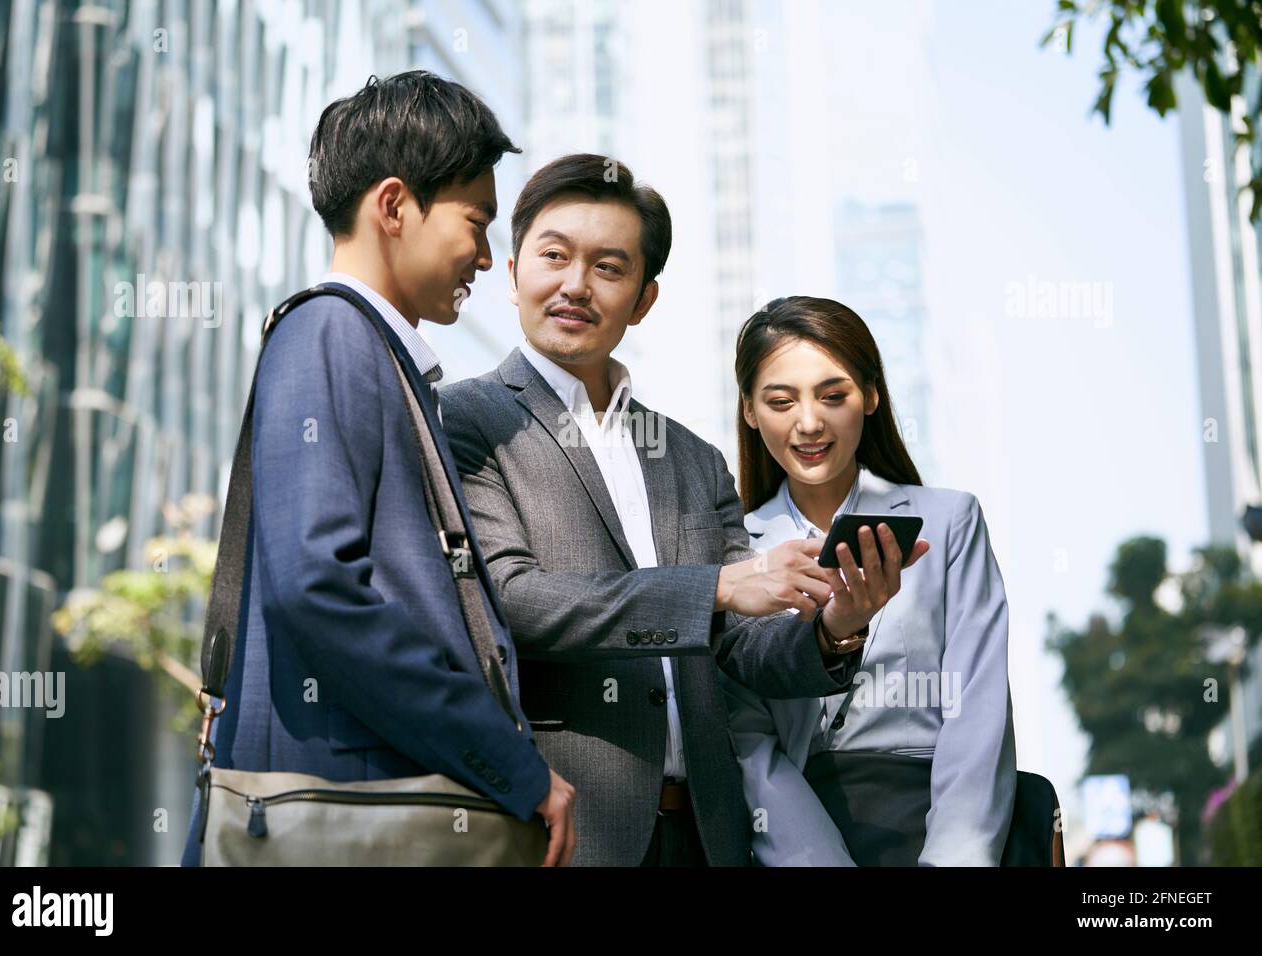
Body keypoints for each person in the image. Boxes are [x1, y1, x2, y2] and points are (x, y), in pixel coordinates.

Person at [440, 155, 912, 866]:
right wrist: (721, 585)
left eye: (608, 267)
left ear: (644, 297)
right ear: (513, 274)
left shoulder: (691, 457)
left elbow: (737, 647)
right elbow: (511, 601)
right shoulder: (463, 421)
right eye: (554, 256)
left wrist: (836, 628)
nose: (576, 284)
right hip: (560, 830)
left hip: (706, 833)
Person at [180, 71, 576, 867]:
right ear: (395, 206)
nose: (486, 254)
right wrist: (509, 764)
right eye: (476, 221)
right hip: (343, 804)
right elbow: (317, 587)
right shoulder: (330, 334)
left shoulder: (363, 348)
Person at [722, 295, 1016, 866]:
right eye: (781, 401)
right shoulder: (736, 551)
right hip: (793, 840)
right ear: (751, 411)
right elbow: (747, 739)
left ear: (872, 395)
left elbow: (979, 709)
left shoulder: (948, 522)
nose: (809, 423)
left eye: (834, 396)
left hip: (930, 824)